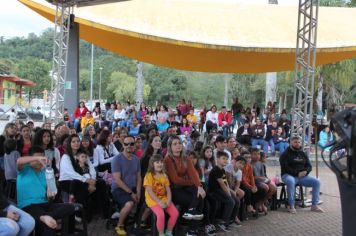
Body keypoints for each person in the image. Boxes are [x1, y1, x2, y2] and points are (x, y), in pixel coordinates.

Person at [17, 146, 76, 236]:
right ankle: (44, 217)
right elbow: (19, 161)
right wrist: (37, 158)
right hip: (28, 206)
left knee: (70, 207)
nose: (40, 162)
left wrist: (50, 196)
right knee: (48, 225)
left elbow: (50, 197)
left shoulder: (46, 172)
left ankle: (46, 217)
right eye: (37, 159)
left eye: (42, 159)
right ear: (30, 159)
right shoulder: (24, 169)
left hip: (44, 205)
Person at [164, 135, 205, 236]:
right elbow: (176, 180)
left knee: (201, 193)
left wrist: (199, 187)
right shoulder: (168, 159)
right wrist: (192, 183)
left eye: (179, 143)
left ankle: (191, 218)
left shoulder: (185, 157)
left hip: (185, 187)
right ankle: (192, 230)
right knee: (196, 200)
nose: (178, 145)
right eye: (175, 144)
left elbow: (193, 173)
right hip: (173, 190)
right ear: (170, 147)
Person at [280, 136, 324, 214]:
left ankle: (314, 206)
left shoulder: (302, 153)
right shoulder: (285, 154)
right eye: (295, 142)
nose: (297, 144)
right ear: (291, 143)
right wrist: (297, 173)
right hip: (288, 175)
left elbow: (309, 166)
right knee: (290, 181)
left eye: (299, 142)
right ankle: (291, 206)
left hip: (302, 177)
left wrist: (306, 172)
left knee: (316, 182)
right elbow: (286, 168)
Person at [111, 135, 141, 236]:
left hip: (132, 187)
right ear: (123, 145)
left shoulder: (136, 159)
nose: (129, 146)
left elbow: (138, 177)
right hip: (118, 189)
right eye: (126, 144)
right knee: (129, 203)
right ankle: (119, 225)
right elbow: (117, 180)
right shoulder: (117, 159)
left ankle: (139, 223)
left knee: (147, 200)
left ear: (134, 145)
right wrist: (132, 193)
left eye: (131, 144)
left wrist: (138, 192)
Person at [143, 154, 179, 236]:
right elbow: (149, 191)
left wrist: (169, 201)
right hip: (152, 199)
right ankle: (161, 233)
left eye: (161, 162)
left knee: (175, 213)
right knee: (161, 215)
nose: (160, 164)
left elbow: (168, 189)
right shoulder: (149, 175)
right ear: (152, 164)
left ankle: (169, 231)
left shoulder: (164, 175)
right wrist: (159, 202)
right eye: (157, 162)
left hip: (163, 198)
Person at [208, 151, 239, 232]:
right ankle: (223, 223)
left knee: (237, 200)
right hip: (213, 191)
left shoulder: (222, 170)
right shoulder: (216, 170)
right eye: (223, 159)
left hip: (221, 190)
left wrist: (231, 192)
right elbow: (222, 184)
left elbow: (226, 183)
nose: (225, 160)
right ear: (218, 159)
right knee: (231, 201)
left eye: (226, 159)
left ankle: (230, 221)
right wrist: (228, 194)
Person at [251, 148, 275, 214]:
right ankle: (258, 204)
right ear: (251, 155)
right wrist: (261, 178)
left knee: (273, 188)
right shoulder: (250, 164)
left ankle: (261, 203)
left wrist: (266, 179)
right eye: (255, 154)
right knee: (265, 187)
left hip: (261, 180)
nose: (257, 156)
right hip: (254, 182)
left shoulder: (260, 164)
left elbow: (263, 175)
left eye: (258, 154)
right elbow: (252, 177)